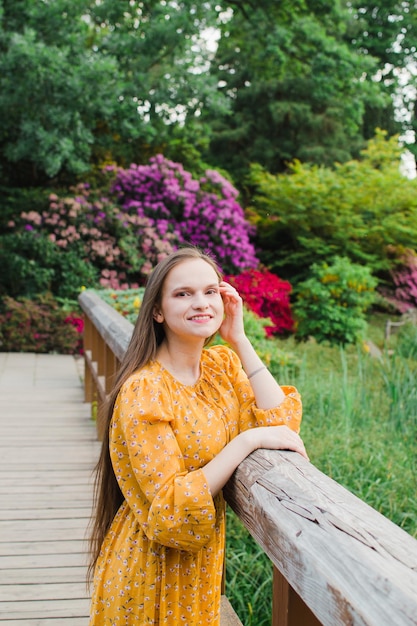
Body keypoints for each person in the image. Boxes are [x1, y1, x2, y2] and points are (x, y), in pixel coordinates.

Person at [88, 246, 308, 625]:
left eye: (210, 291)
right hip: (148, 574)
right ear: (157, 311)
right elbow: (171, 506)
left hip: (198, 574)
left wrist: (239, 338)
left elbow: (281, 421)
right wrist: (247, 441)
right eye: (183, 294)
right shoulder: (145, 391)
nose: (201, 302)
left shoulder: (219, 366)